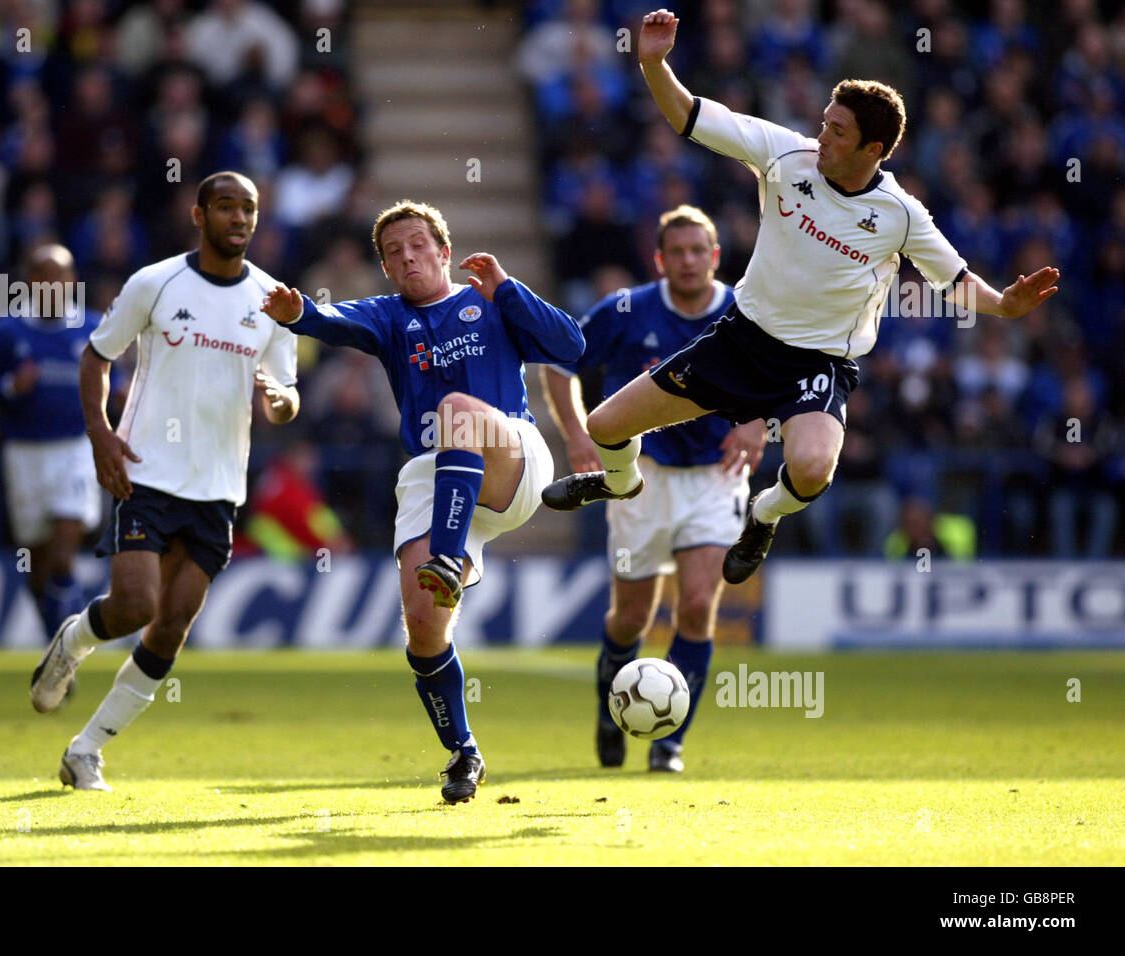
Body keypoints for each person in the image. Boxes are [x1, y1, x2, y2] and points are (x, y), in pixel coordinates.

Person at [542, 9, 1060, 588]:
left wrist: (1006, 305)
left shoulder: (900, 214)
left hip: (815, 364)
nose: (822, 137)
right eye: (825, 122)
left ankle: (761, 515)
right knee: (607, 426)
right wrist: (654, 64)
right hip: (740, 342)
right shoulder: (785, 155)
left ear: (874, 149)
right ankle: (618, 481)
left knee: (811, 470)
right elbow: (688, 116)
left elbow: (955, 281)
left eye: (838, 132)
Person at [261, 200, 584, 804]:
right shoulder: (388, 318)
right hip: (432, 480)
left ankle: (446, 555)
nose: (406, 256)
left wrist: (510, 291)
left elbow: (571, 345)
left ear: (443, 251)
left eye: (417, 245)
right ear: (385, 267)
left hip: (509, 456)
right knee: (424, 629)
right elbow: (333, 319)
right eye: (392, 251)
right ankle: (464, 752)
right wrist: (298, 312)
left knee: (457, 410)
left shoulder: (489, 300)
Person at [29, 172, 300, 791]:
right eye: (226, 207)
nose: (239, 218)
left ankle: (86, 751)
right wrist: (99, 432)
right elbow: (97, 355)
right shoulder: (155, 282)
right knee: (135, 605)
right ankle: (74, 641)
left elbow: (286, 395)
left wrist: (281, 401)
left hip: (219, 487)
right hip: (147, 471)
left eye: (249, 209)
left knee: (171, 626)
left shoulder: (272, 301)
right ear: (199, 215)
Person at [540, 205, 765, 773]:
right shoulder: (625, 310)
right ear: (660, 260)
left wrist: (761, 421)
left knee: (695, 607)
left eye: (699, 252)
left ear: (715, 257)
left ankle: (669, 743)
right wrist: (577, 434)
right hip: (642, 482)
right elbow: (559, 362)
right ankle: (607, 705)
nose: (688, 261)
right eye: (678, 253)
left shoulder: (749, 311)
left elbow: (789, 377)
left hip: (717, 478)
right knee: (631, 619)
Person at [0, 244, 102, 639]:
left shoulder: (91, 328)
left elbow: (115, 378)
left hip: (75, 449)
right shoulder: (7, 332)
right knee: (40, 564)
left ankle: (71, 649)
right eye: (43, 277)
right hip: (24, 454)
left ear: (72, 281)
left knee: (63, 556)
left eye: (59, 277)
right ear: (28, 283)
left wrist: (120, 392)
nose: (52, 285)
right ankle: (54, 640)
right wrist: (11, 386)